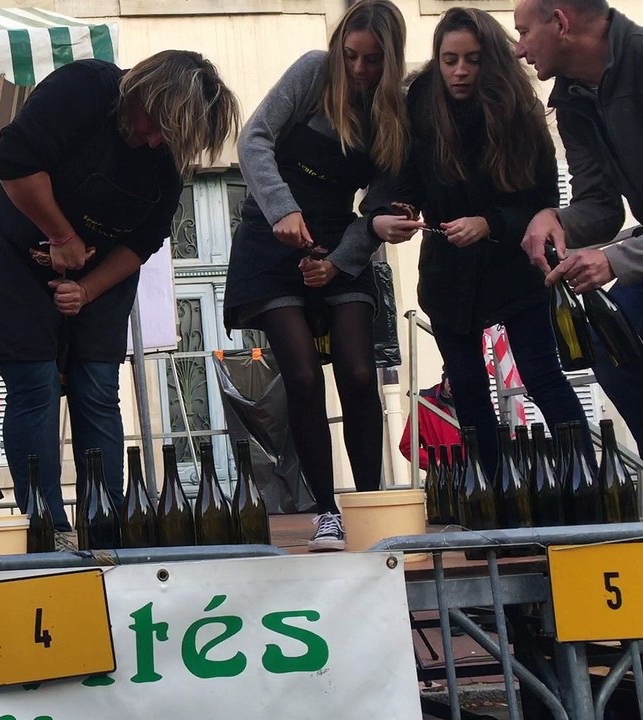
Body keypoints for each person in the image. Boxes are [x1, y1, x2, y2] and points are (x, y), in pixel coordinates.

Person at [0, 49, 238, 541]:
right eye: (154, 126)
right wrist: (62, 236)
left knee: (96, 387)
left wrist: (87, 290)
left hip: (99, 265)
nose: (153, 142)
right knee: (35, 384)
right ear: (144, 92)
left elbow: (141, 244)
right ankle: (46, 525)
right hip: (5, 248)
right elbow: (16, 162)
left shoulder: (164, 160)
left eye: (167, 140)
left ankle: (106, 522)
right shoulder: (84, 87)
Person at [223, 0, 407, 552]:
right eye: (350, 55)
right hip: (269, 235)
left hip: (341, 241)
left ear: (391, 60)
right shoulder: (310, 71)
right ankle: (326, 511)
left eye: (373, 60)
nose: (358, 70)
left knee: (356, 370)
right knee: (301, 376)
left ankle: (370, 506)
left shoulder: (395, 116)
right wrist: (281, 209)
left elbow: (378, 205)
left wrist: (342, 260)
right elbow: (253, 139)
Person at [374, 7, 588, 474]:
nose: (460, 71)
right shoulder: (419, 104)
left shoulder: (518, 110)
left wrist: (490, 223)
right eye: (450, 59)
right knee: (468, 390)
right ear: (437, 58)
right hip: (447, 269)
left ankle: (585, 487)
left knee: (542, 375)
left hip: (516, 261)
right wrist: (395, 212)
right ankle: (493, 497)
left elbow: (547, 203)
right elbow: (397, 178)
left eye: (471, 59)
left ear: (489, 59)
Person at [515, 0, 643, 446]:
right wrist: (556, 218)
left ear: (561, 23)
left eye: (524, 32)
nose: (518, 50)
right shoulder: (570, 99)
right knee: (615, 345)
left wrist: (616, 261)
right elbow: (601, 207)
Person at [399, 375, 460, 470]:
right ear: (445, 378)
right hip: (443, 477)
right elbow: (408, 446)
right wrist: (435, 463)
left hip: (473, 474)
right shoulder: (424, 404)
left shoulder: (477, 403)